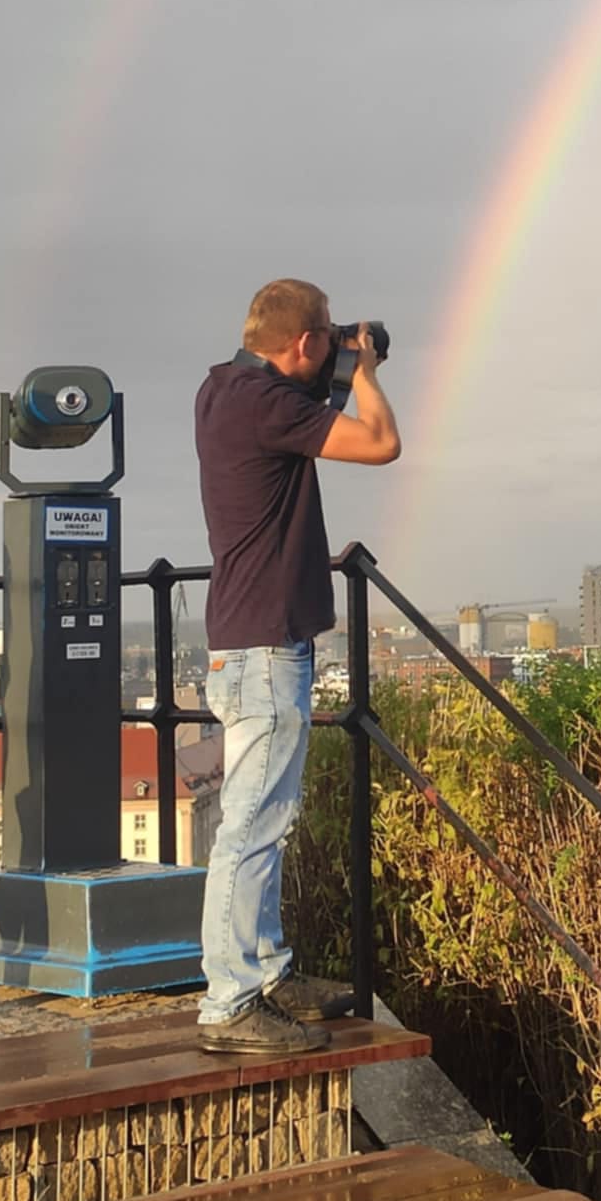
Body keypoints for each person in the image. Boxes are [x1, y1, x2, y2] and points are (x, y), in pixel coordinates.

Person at [193, 278, 401, 1054]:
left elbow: (289, 387)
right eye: (326, 340)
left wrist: (328, 361)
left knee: (267, 819)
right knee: (249, 823)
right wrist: (366, 371)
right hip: (267, 644)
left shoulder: (223, 389)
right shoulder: (272, 406)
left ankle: (268, 971)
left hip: (245, 635)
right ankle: (229, 1003)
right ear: (305, 345)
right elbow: (380, 443)